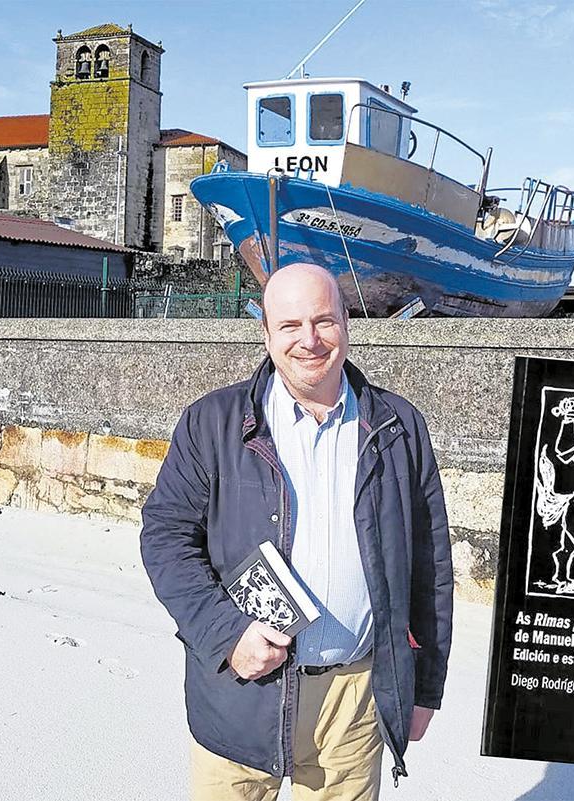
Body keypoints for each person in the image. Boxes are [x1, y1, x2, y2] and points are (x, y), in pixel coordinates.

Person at [141, 263, 453, 800]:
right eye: (289, 325)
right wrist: (226, 633)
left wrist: (424, 688)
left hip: (355, 700)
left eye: (323, 321)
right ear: (265, 333)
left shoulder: (399, 426)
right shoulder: (212, 422)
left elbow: (430, 563)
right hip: (241, 689)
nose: (309, 340)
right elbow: (165, 537)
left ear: (347, 325)